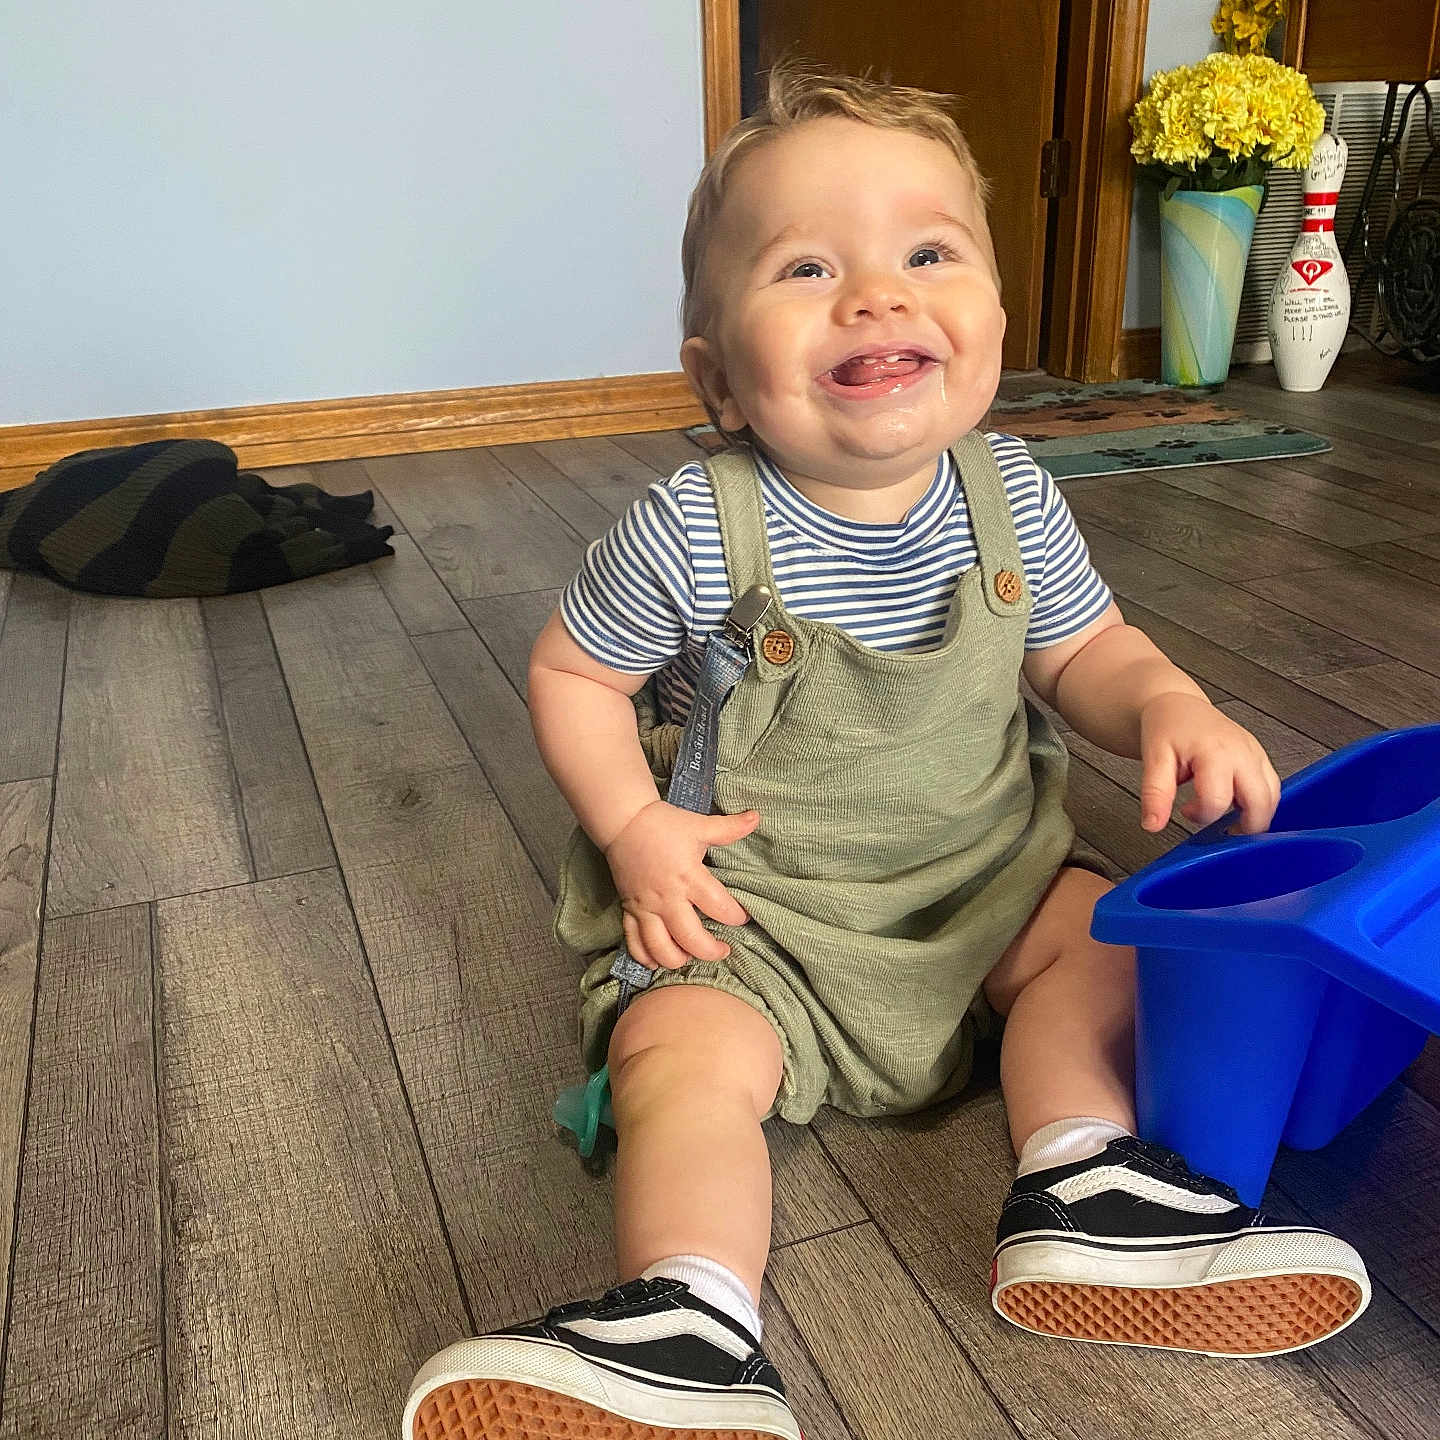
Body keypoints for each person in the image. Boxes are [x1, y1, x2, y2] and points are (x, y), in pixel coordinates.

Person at [401, 62, 1370, 1440]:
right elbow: (572, 672)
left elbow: (1083, 651)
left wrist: (1167, 705)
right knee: (676, 1056)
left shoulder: (1013, 495)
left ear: (991, 319)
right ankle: (686, 1317)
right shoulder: (692, 527)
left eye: (928, 253)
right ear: (717, 377)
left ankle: (1083, 1184)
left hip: (986, 885)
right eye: (806, 268)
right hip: (764, 914)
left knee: (1105, 934)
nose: (877, 295)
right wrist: (634, 827)